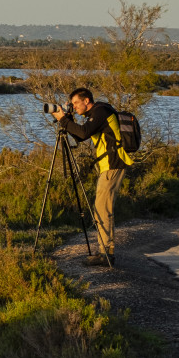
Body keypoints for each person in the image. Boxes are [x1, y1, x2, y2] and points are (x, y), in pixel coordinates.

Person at [50, 87, 133, 266]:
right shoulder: (97, 113)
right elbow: (81, 136)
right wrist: (67, 119)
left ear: (86, 101)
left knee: (102, 208)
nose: (74, 107)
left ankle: (106, 254)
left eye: (75, 104)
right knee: (101, 207)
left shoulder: (101, 111)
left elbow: (83, 133)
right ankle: (105, 251)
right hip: (109, 166)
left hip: (113, 165)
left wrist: (63, 119)